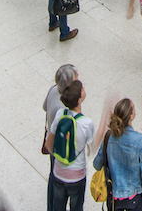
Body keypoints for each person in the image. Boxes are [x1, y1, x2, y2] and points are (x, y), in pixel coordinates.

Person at [46, 78, 95, 211]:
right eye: (83, 89)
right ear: (79, 100)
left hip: (58, 173)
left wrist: (61, 158)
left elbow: (48, 144)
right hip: (77, 176)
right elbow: (92, 149)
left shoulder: (60, 114)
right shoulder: (87, 123)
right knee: (76, 207)